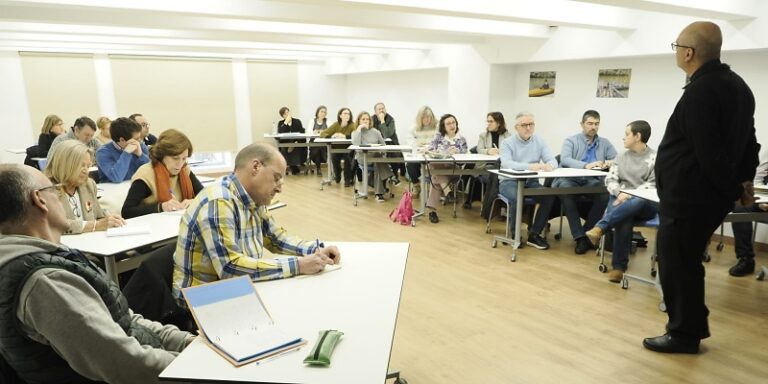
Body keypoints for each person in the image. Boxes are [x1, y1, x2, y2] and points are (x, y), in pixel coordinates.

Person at [0, 164, 194, 384]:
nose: (60, 196)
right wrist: (198, 365)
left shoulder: (47, 260)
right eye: (55, 190)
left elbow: (125, 320)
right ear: (39, 200)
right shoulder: (45, 282)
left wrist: (188, 343)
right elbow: (124, 363)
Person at [644, 21, 759, 354]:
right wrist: (743, 182)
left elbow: (709, 153)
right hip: (707, 196)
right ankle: (689, 327)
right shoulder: (738, 86)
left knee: (678, 264)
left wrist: (734, 189)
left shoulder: (702, 91)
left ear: (689, 53)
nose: (676, 52)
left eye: (676, 46)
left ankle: (684, 333)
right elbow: (750, 142)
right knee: (686, 262)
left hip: (690, 198)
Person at [172, 143, 341, 301]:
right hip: (201, 302)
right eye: (276, 178)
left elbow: (276, 239)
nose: (280, 188)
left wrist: (315, 251)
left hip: (233, 291)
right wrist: (298, 265)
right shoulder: (218, 201)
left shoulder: (253, 199)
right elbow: (230, 268)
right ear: (255, 167)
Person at [584, 120, 657, 283]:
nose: (623, 138)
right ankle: (618, 268)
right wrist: (619, 193)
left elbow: (652, 185)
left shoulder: (654, 158)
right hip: (619, 198)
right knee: (625, 218)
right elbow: (611, 178)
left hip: (644, 202)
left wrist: (629, 194)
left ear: (637, 136)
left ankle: (601, 226)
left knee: (637, 201)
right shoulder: (621, 156)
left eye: (626, 134)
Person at [553, 110, 617, 255]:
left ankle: (587, 234)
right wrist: (585, 165)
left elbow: (617, 159)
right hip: (569, 180)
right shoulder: (571, 140)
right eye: (589, 123)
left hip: (591, 181)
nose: (593, 127)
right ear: (582, 124)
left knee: (604, 194)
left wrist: (608, 162)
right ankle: (579, 237)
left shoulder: (604, 143)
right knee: (567, 193)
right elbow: (565, 159)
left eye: (596, 124)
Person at [498, 112, 557, 250]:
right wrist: (529, 166)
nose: (528, 128)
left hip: (531, 182)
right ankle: (514, 234)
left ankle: (534, 234)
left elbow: (552, 159)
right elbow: (507, 163)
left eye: (531, 124)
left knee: (548, 195)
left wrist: (550, 165)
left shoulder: (539, 141)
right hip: (509, 181)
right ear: (516, 127)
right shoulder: (507, 143)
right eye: (524, 125)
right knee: (517, 197)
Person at [44, 140, 126, 233]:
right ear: (64, 164)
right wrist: (94, 225)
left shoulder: (89, 185)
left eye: (88, 166)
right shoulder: (46, 189)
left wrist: (110, 218)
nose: (86, 171)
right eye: (81, 165)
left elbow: (98, 214)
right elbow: (53, 223)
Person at [121, 129, 204, 219]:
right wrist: (161, 207)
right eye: (175, 158)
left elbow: (205, 196)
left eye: (184, 158)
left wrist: (194, 201)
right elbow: (127, 212)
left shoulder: (184, 169)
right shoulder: (146, 174)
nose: (180, 164)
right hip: (154, 227)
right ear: (162, 155)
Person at [728, 147, 768, 277]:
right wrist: (760, 201)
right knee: (740, 208)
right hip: (765, 200)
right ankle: (746, 259)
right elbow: (758, 177)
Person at [425, 114, 468, 223]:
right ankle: (447, 192)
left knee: (435, 176)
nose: (452, 125)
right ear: (443, 126)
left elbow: (465, 158)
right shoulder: (438, 137)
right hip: (439, 167)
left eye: (453, 122)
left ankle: (432, 211)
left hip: (453, 170)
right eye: (448, 123)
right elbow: (430, 151)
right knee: (435, 168)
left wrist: (458, 152)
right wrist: (445, 152)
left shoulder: (461, 139)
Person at [351, 111, 395, 203]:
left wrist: (381, 152)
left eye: (367, 119)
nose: (366, 121)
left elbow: (384, 147)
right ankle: (392, 177)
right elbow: (356, 147)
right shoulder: (355, 132)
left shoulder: (375, 131)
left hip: (376, 159)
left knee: (377, 160)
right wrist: (359, 129)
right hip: (362, 158)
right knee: (378, 158)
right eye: (363, 119)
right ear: (358, 121)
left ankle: (379, 194)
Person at [96, 117, 150, 183]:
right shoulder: (103, 152)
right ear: (122, 140)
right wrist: (126, 152)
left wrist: (141, 155)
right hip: (113, 191)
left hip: (134, 187)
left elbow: (151, 173)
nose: (139, 141)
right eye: (136, 139)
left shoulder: (140, 146)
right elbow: (116, 177)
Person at [319, 107, 357, 187]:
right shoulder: (336, 124)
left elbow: (356, 136)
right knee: (334, 158)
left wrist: (345, 136)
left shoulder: (352, 125)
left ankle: (347, 180)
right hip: (336, 148)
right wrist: (332, 136)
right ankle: (337, 175)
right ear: (340, 115)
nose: (347, 115)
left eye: (348, 114)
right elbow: (323, 133)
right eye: (345, 113)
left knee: (348, 159)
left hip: (348, 149)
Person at [407, 106, 437, 196]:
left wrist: (428, 146)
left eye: (428, 117)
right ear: (420, 118)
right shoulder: (414, 127)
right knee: (410, 165)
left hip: (432, 154)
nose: (426, 119)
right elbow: (409, 140)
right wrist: (416, 144)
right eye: (424, 117)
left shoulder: (437, 127)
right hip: (419, 153)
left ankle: (437, 188)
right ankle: (416, 185)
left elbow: (438, 140)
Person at [373, 102, 404, 183]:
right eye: (379, 109)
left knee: (395, 155)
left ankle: (394, 176)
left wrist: (382, 121)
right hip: (377, 145)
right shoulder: (372, 119)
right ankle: (382, 178)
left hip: (391, 144)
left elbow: (387, 134)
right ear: (375, 111)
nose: (381, 110)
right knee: (378, 156)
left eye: (383, 108)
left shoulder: (390, 119)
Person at [276, 106, 307, 175]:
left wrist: (294, 144)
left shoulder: (297, 121)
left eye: (287, 112)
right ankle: (293, 167)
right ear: (282, 116)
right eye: (285, 114)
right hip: (286, 144)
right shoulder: (281, 123)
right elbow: (280, 134)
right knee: (284, 149)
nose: (287, 115)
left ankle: (294, 166)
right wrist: (285, 123)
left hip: (297, 143)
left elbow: (302, 134)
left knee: (297, 148)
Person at [308, 105, 328, 176]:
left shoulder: (328, 121)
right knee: (317, 148)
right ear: (317, 113)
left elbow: (330, 131)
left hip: (324, 143)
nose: (323, 113)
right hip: (314, 142)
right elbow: (309, 132)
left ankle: (317, 166)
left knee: (319, 148)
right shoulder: (312, 121)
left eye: (324, 112)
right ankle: (318, 168)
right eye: (321, 111)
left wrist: (319, 131)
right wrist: (315, 132)